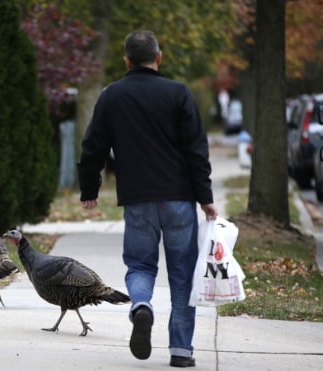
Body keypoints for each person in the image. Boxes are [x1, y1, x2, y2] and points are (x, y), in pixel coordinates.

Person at [77, 30, 218, 368]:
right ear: (159, 57)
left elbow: (92, 147)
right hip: (179, 199)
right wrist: (205, 197)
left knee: (140, 265)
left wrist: (89, 190)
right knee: (182, 274)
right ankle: (181, 352)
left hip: (137, 200)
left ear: (127, 61)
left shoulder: (112, 96)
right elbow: (196, 150)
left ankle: (141, 305)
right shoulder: (178, 93)